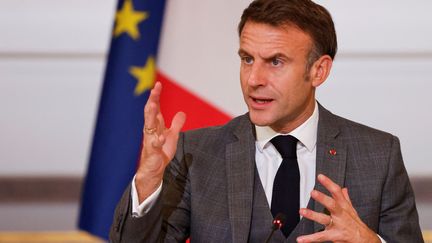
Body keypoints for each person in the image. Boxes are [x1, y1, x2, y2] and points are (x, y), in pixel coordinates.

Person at [109, 0, 423, 242]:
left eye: (276, 61)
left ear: (319, 71)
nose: (254, 79)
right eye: (247, 59)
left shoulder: (379, 155)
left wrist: (369, 240)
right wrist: (148, 181)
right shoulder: (195, 153)